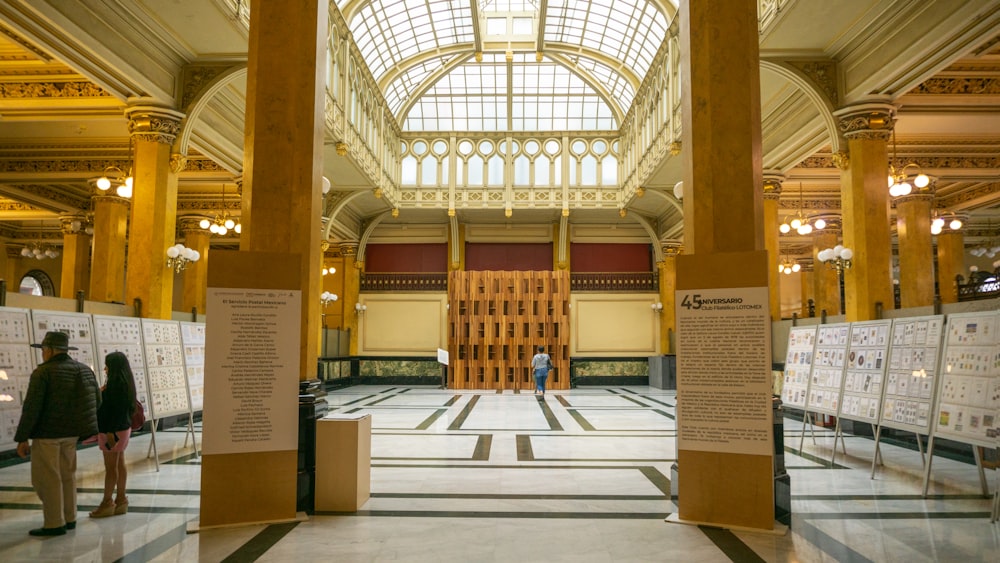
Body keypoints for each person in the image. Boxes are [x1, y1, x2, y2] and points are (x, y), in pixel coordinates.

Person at [14, 331, 100, 537]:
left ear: (50, 350)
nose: (42, 354)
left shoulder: (43, 373)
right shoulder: (83, 370)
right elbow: (95, 401)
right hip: (72, 434)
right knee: (67, 476)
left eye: (43, 349)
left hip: (47, 435)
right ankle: (69, 517)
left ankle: (54, 522)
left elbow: (32, 407)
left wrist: (22, 438)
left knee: (47, 478)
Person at [89, 351, 137, 518]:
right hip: (124, 429)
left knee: (110, 468)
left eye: (107, 366)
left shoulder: (113, 387)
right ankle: (122, 499)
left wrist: (101, 394)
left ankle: (107, 502)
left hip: (111, 432)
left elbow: (108, 411)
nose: (105, 369)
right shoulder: (128, 384)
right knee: (120, 463)